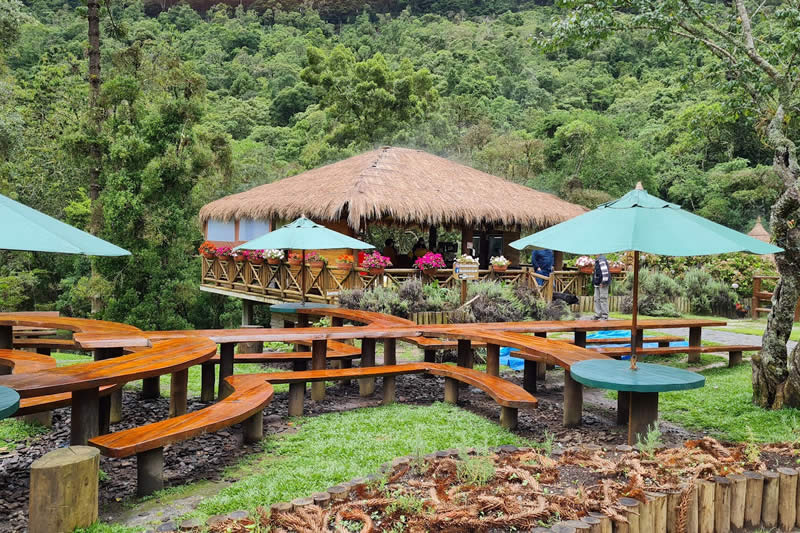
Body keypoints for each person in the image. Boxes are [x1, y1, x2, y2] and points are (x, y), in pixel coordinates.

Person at [592, 254, 611, 320]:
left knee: (603, 299)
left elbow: (605, 273)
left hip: (602, 283)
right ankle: (597, 314)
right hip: (597, 282)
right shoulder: (597, 260)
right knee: (596, 299)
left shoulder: (602, 260)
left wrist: (604, 282)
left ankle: (604, 316)